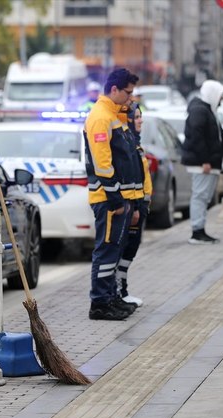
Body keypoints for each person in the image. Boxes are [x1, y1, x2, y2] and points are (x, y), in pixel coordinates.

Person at [83, 68, 140, 321]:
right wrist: (116, 199)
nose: (130, 98)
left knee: (113, 250)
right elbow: (103, 164)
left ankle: (111, 298)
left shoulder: (113, 115)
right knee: (106, 250)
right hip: (108, 200)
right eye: (127, 92)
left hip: (117, 198)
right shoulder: (101, 117)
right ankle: (100, 303)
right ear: (114, 89)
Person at [182, 80, 223, 245]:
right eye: (219, 95)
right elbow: (197, 137)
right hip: (202, 165)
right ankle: (197, 231)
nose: (221, 99)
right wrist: (205, 160)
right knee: (200, 196)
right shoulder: (200, 111)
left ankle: (200, 229)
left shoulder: (207, 110)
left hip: (207, 164)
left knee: (204, 197)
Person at [117, 102, 152, 307]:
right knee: (126, 249)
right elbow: (132, 179)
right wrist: (137, 207)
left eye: (140, 117)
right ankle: (120, 291)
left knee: (131, 248)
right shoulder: (128, 145)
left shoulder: (135, 144)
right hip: (134, 207)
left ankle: (122, 290)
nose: (140, 120)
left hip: (139, 206)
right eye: (136, 117)